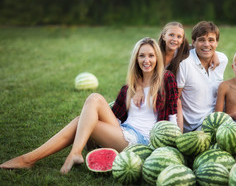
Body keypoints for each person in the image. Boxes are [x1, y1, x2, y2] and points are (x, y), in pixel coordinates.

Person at [0, 37, 179, 174]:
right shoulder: (129, 88)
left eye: (151, 55)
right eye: (141, 55)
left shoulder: (166, 79)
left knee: (81, 121)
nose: (146, 60)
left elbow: (172, 114)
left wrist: (174, 146)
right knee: (93, 99)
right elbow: (115, 116)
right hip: (123, 130)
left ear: (157, 58)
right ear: (136, 59)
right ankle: (63, 155)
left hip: (142, 140)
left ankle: (31, 159)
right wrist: (137, 88)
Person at [133, 21, 220, 131]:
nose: (175, 39)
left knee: (177, 102)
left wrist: (214, 54)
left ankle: (178, 133)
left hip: (167, 90)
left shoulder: (182, 52)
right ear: (164, 36)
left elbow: (202, 47)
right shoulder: (154, 52)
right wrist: (139, 89)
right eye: (171, 35)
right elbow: (138, 70)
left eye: (179, 37)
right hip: (150, 86)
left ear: (182, 40)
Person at [177, 21, 228, 132]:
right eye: (201, 40)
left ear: (217, 43)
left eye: (211, 40)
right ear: (194, 42)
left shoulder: (222, 60)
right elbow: (176, 98)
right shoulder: (184, 63)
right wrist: (179, 132)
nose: (206, 44)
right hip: (195, 127)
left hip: (218, 120)